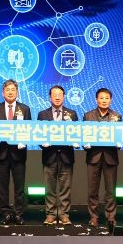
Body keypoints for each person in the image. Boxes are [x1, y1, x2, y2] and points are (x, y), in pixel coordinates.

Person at [0, 79, 32, 225]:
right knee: (2, 187)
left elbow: (29, 129)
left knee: (19, 187)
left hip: (19, 154)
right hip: (1, 153)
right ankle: (6, 213)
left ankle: (19, 213)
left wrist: (24, 141)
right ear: (3, 93)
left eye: (13, 89)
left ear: (17, 92)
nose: (10, 92)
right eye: (7, 90)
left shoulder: (24, 109)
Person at [37, 85, 78, 225]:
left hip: (66, 155)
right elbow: (38, 134)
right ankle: (50, 214)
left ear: (64, 97)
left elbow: (76, 133)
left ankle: (64, 214)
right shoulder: (42, 114)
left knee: (65, 188)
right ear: (50, 97)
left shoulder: (72, 114)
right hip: (49, 156)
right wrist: (42, 143)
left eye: (60, 94)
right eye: (54, 94)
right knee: (49, 188)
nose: (57, 97)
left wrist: (75, 141)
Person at [83, 87, 122, 227]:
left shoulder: (117, 116)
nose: (104, 100)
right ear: (96, 100)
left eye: (107, 98)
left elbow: (120, 136)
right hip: (93, 156)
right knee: (92, 190)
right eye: (101, 98)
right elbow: (83, 135)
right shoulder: (88, 116)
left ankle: (111, 217)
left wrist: (119, 142)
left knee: (110, 190)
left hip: (110, 157)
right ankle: (93, 217)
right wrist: (85, 144)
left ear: (111, 100)